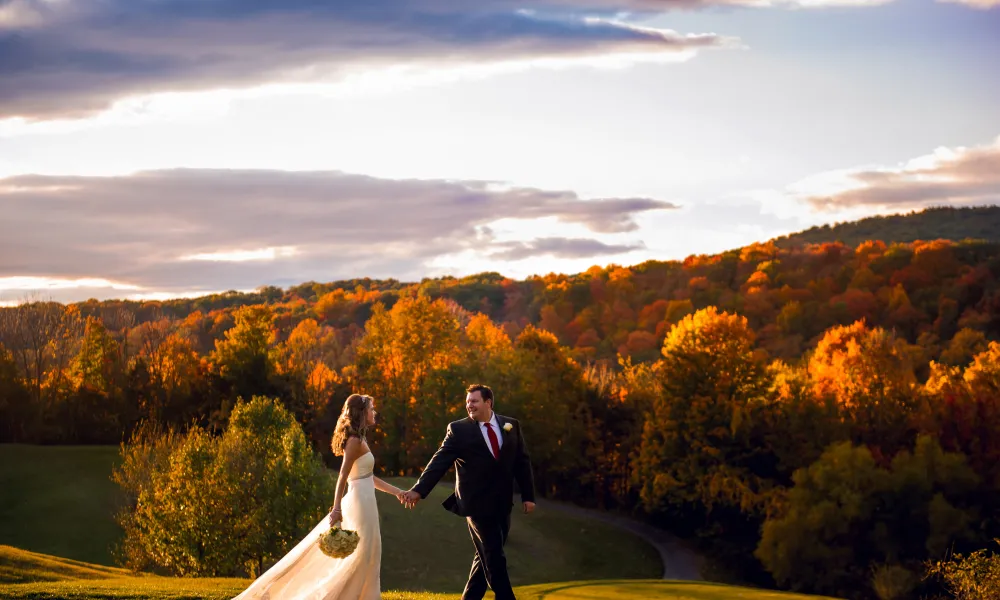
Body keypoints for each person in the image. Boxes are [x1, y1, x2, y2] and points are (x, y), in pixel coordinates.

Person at [232, 394, 406, 600]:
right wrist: (337, 509)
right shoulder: (354, 442)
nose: (374, 412)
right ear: (361, 413)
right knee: (362, 555)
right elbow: (342, 476)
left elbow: (370, 477)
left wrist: (399, 493)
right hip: (359, 503)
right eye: (371, 408)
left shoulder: (362, 440)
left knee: (370, 553)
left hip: (367, 502)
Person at [401, 383, 536, 600]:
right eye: (467, 402)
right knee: (494, 557)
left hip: (503, 504)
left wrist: (528, 496)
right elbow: (439, 462)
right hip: (475, 504)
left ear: (488, 402)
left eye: (474, 401)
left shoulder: (511, 425)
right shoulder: (458, 430)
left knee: (484, 557)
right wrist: (419, 490)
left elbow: (522, 462)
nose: (469, 405)